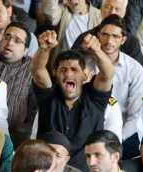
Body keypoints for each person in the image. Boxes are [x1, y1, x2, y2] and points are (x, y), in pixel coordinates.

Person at [31, 29, 114, 171]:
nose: (68, 73)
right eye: (63, 69)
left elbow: (107, 74)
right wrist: (44, 49)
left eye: (74, 69)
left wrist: (97, 51)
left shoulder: (95, 99)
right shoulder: (48, 96)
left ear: (85, 75)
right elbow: (37, 70)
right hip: (47, 169)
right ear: (55, 73)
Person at [0, 22, 38, 145]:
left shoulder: (32, 69)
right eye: (7, 37)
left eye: (17, 41)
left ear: (25, 50)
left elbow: (33, 109)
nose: (10, 43)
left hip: (10, 136)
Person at [92, 14, 143, 147]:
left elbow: (136, 115)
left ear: (123, 40)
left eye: (115, 36)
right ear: (98, 35)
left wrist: (114, 141)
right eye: (105, 34)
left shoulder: (135, 69)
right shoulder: (86, 63)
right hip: (88, 125)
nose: (109, 41)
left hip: (121, 133)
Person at [72, 0, 143, 75]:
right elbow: (70, 65)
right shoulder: (86, 38)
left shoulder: (132, 42)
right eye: (108, 7)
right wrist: (83, 51)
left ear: (124, 12)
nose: (112, 12)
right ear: (101, 9)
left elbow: (138, 72)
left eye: (117, 9)